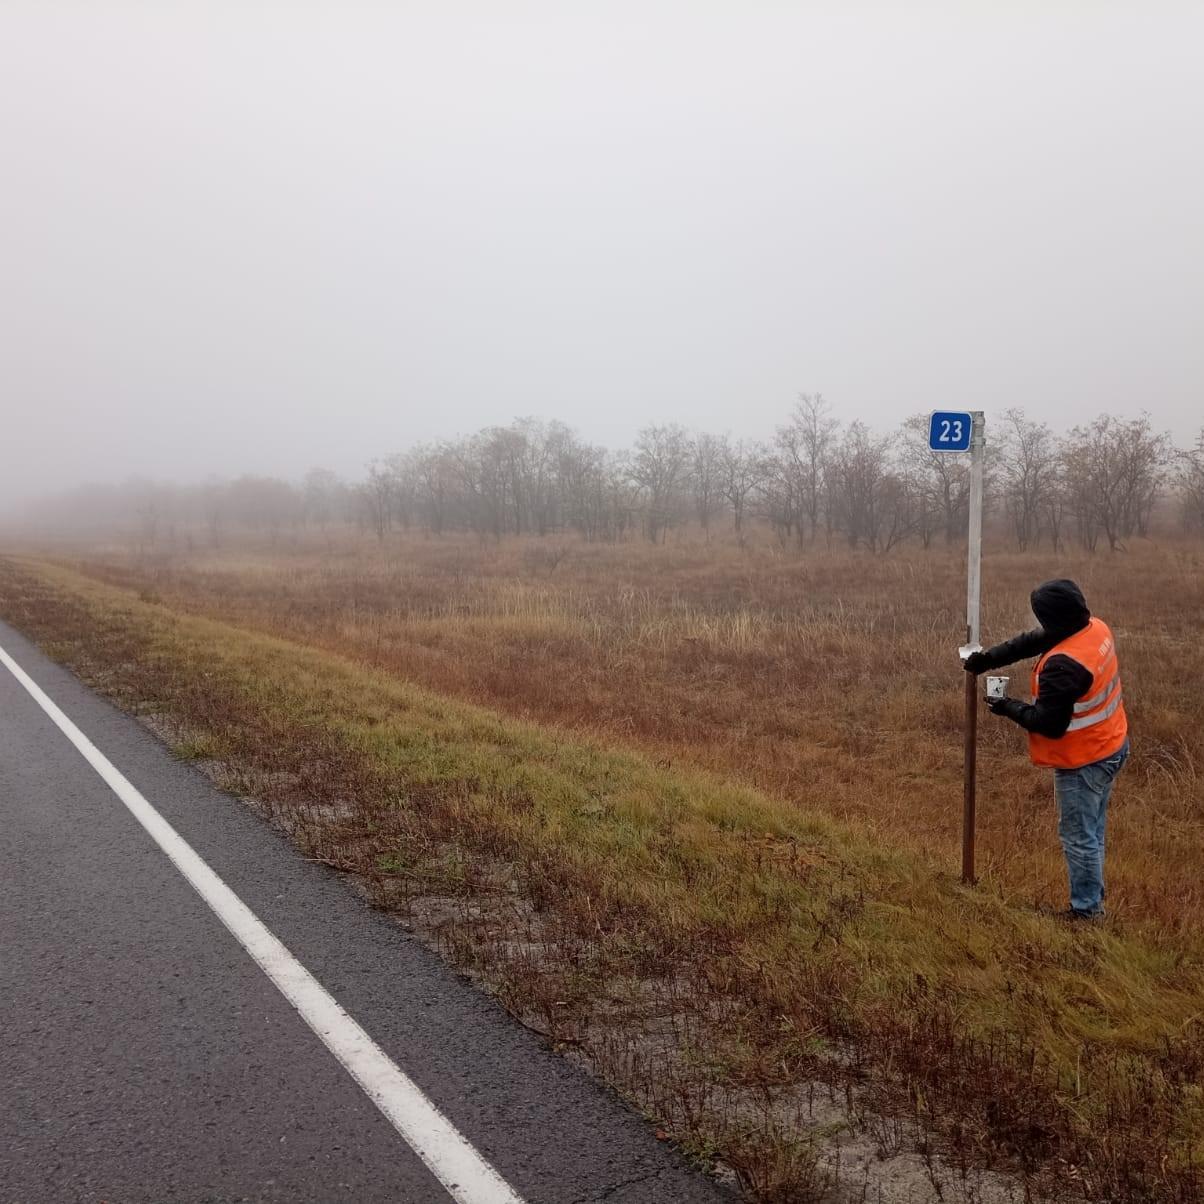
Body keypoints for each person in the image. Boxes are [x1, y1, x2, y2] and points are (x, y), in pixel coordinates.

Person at [963, 579, 1129, 921]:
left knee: (1079, 836)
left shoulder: (1064, 666)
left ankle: (1086, 913)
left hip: (1083, 760)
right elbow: (1033, 641)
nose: (1039, 626)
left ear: (1055, 620)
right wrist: (987, 661)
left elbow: (1049, 723)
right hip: (1111, 744)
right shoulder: (1093, 628)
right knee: (1093, 829)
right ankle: (1093, 897)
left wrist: (1005, 706)